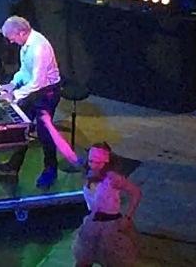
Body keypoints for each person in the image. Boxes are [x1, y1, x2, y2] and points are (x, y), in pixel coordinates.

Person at [40, 112, 142, 267]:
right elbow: (65, 149)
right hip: (92, 224)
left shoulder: (112, 178)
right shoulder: (86, 170)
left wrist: (127, 218)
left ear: (105, 162)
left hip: (111, 226)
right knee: (83, 262)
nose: (93, 165)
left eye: (97, 162)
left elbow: (136, 193)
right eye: (91, 161)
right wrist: (48, 125)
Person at [0, 16, 63, 188]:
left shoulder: (39, 48)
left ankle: (50, 170)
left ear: (21, 32)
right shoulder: (26, 45)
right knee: (22, 125)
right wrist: (13, 84)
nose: (11, 41)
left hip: (47, 93)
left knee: (44, 133)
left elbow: (38, 82)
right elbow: (25, 71)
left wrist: (14, 95)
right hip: (34, 90)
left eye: (11, 37)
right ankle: (14, 165)